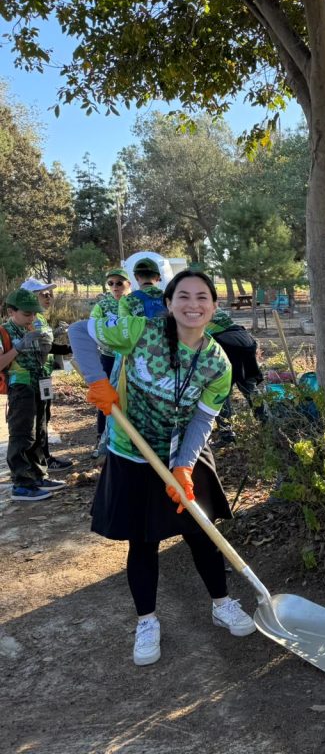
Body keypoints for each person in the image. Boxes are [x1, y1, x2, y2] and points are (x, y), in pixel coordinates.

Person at [69, 269, 256, 667]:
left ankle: (222, 604)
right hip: (132, 453)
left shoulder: (216, 363)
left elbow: (204, 421)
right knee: (144, 540)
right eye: (183, 296)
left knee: (201, 530)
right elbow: (78, 332)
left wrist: (185, 467)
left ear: (213, 306)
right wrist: (96, 379)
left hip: (181, 450)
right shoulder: (139, 331)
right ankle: (147, 621)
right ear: (169, 303)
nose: (193, 304)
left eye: (202, 297)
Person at [1, 288, 66, 500]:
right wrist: (19, 347)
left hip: (40, 384)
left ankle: (38, 475)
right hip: (20, 387)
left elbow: (42, 355)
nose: (32, 317)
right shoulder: (4, 332)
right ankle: (21, 483)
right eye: (27, 314)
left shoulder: (33, 327)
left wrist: (50, 347)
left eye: (34, 313)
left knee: (40, 430)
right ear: (11, 312)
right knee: (22, 434)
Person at [19, 277, 74, 473]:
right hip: (33, 379)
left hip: (44, 376)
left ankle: (45, 457)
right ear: (30, 296)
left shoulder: (39, 317)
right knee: (38, 420)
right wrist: (70, 347)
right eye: (43, 294)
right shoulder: (30, 318)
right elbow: (46, 347)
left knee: (45, 417)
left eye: (50, 293)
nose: (49, 297)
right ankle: (40, 461)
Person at [205, 307, 266, 443]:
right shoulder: (211, 305)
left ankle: (227, 434)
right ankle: (266, 423)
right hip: (246, 340)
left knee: (220, 390)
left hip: (226, 343)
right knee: (249, 387)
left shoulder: (190, 312)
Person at [89, 268, 131, 457]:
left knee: (130, 398)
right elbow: (92, 328)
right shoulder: (102, 305)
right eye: (111, 283)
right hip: (108, 357)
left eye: (119, 282)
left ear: (128, 284)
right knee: (107, 396)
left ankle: (129, 440)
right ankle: (102, 440)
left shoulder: (133, 302)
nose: (115, 287)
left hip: (129, 358)